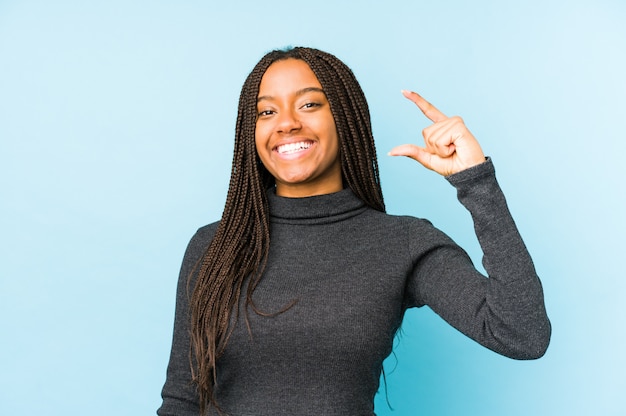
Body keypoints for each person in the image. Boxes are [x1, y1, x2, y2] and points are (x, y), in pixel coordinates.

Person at [157, 46, 551, 416]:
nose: (287, 123)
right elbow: (181, 399)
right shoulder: (214, 245)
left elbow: (521, 333)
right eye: (266, 112)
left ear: (344, 117)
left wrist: (476, 181)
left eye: (309, 104)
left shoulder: (403, 244)